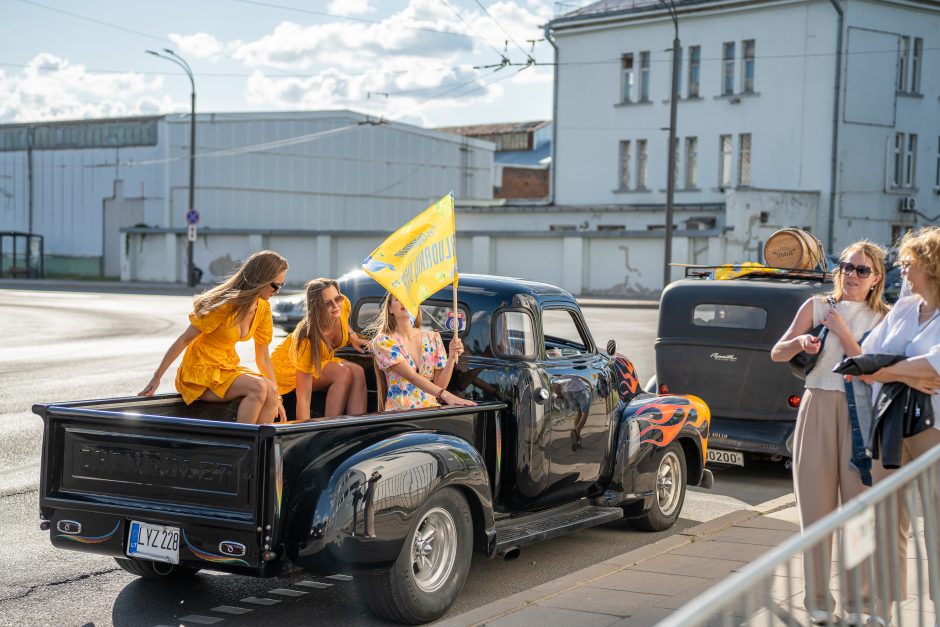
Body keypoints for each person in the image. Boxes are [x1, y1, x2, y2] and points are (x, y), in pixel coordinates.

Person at [771, 241, 889, 624]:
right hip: (818, 404)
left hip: (861, 412)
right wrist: (800, 342)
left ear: (876, 279)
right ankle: (819, 603)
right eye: (846, 266)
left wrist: (841, 330)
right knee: (816, 512)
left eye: (861, 270)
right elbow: (777, 352)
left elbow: (871, 369)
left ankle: (861, 605)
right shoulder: (816, 306)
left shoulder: (884, 317)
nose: (851, 275)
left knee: (858, 513)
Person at [857, 227, 940, 626]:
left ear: (932, 266)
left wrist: (889, 369)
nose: (902, 271)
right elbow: (865, 363)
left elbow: (933, 368)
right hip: (891, 423)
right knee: (886, 521)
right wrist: (904, 373)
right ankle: (882, 613)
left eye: (909, 264)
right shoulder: (905, 309)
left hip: (934, 431)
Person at [139, 250, 288, 424]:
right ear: (260, 279)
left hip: (225, 368)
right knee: (259, 387)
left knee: (271, 390)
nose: (277, 291)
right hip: (199, 372)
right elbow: (185, 339)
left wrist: (278, 397)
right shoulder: (225, 306)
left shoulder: (263, 309)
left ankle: (264, 448)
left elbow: (263, 357)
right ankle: (241, 447)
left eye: (281, 285)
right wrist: (156, 378)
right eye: (275, 286)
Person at [270, 278, 369, 420]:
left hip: (319, 359)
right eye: (327, 303)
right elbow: (303, 398)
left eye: (337, 299)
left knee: (358, 371)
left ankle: (359, 427)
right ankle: (328, 430)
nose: (335, 306)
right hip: (287, 368)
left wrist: (353, 337)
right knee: (342, 373)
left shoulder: (342, 305)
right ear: (316, 306)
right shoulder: (306, 338)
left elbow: (343, 320)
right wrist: (305, 433)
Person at [369, 293, 476, 411]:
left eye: (409, 299)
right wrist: (447, 396)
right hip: (400, 413)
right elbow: (412, 377)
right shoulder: (383, 341)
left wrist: (451, 357)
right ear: (390, 308)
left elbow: (440, 385)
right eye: (398, 299)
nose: (405, 302)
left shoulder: (432, 337)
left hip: (430, 411)